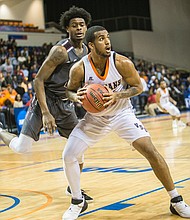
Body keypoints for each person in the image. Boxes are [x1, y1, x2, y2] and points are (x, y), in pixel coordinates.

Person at [62, 26, 190, 219]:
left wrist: (118, 95)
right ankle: (78, 201)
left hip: (122, 114)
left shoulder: (121, 62)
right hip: (95, 119)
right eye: (101, 39)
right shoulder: (79, 68)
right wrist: (76, 97)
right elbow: (69, 90)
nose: (107, 42)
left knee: (151, 151)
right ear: (90, 45)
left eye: (108, 38)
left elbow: (139, 86)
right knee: (68, 155)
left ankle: (176, 201)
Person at [0, 6, 93, 201]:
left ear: (86, 27)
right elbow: (38, 80)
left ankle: (73, 187)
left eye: (82, 25)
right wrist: (45, 113)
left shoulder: (87, 51)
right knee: (22, 148)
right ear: (67, 28)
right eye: (74, 25)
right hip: (45, 100)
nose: (79, 29)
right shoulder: (60, 51)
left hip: (65, 103)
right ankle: (1, 131)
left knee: (79, 147)